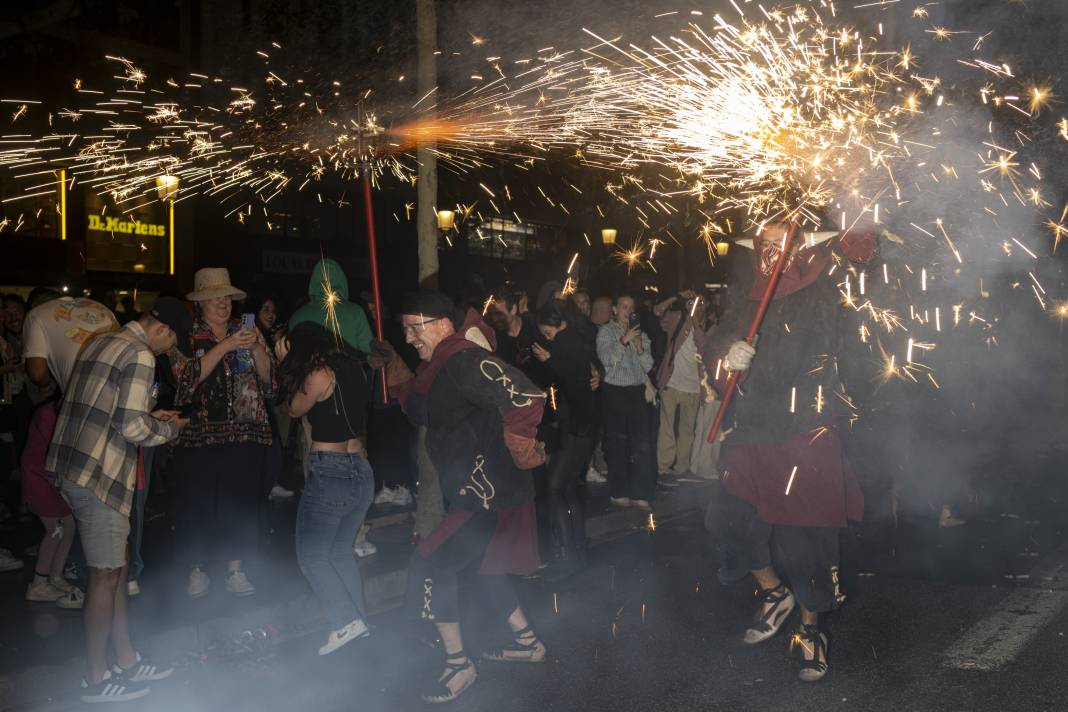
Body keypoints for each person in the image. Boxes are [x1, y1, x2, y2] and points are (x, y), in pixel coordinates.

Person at [371, 291, 547, 704]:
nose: (411, 337)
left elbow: (525, 395)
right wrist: (397, 368)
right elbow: (421, 407)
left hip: (487, 494)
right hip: (479, 492)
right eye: (405, 329)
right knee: (487, 568)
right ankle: (527, 642)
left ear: (443, 324)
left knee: (430, 564)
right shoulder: (439, 367)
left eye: (416, 327)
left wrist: (522, 447)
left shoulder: (463, 358)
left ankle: (459, 664)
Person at [709, 223, 866, 682]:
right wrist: (727, 356)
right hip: (753, 427)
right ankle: (774, 593)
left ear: (800, 247)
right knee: (726, 520)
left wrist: (861, 254)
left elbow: (855, 335)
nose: (774, 254)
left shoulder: (827, 289)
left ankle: (811, 631)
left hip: (806, 431)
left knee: (807, 542)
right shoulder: (746, 298)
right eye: (767, 246)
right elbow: (716, 346)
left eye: (784, 245)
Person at [48, 298, 191, 703]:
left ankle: (125, 659)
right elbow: (131, 427)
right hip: (100, 473)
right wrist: (170, 430)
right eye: (171, 342)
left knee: (120, 562)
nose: (167, 351)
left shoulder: (102, 340)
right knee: (107, 574)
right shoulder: (142, 354)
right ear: (162, 329)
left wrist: (152, 418)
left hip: (74, 463)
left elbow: (115, 410)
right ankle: (96, 679)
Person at [171, 268, 275, 599]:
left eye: (227, 297)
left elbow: (270, 383)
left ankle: (235, 570)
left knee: (241, 503)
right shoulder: (186, 334)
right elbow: (186, 380)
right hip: (200, 434)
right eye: (216, 297)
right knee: (198, 504)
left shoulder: (246, 329)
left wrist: (257, 347)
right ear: (200, 302)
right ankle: (197, 569)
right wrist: (226, 345)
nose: (223, 303)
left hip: (246, 433)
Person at [276, 323, 373, 656]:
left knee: (312, 556)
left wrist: (285, 363)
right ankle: (357, 621)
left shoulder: (317, 373)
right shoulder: (354, 366)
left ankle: (346, 621)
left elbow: (293, 408)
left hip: (331, 470)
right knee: (339, 552)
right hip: (360, 468)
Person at [532, 303, 599, 578]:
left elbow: (575, 381)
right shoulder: (577, 340)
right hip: (583, 425)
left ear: (560, 324)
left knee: (555, 487)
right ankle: (577, 551)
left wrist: (549, 360)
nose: (547, 338)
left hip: (577, 426)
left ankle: (570, 556)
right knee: (568, 487)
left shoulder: (565, 342)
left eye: (548, 331)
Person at [595, 294, 655, 510]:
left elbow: (648, 365)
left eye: (631, 307)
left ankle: (642, 493)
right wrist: (623, 341)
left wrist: (639, 348)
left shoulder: (641, 333)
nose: (628, 311)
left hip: (636, 393)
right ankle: (618, 492)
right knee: (617, 443)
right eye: (623, 307)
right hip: (614, 392)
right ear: (614, 309)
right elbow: (607, 359)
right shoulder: (606, 331)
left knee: (642, 444)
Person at [22, 399, 82, 608]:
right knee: (55, 530)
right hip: (40, 478)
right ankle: (39, 583)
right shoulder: (48, 415)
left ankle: (54, 576)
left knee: (68, 527)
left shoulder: (53, 411)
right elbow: (54, 451)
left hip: (47, 478)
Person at [653, 289, 715, 482]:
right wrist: (676, 297)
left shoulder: (710, 326)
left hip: (695, 386)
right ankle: (663, 468)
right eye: (693, 303)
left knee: (687, 430)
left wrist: (696, 322)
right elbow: (657, 311)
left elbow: (705, 348)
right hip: (671, 382)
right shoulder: (677, 319)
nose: (697, 306)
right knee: (666, 428)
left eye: (701, 303)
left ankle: (681, 468)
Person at [289, 258, 372, 356]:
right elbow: (369, 354)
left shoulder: (297, 316)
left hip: (309, 370)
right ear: (342, 280)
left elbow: (293, 357)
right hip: (347, 370)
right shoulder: (356, 312)